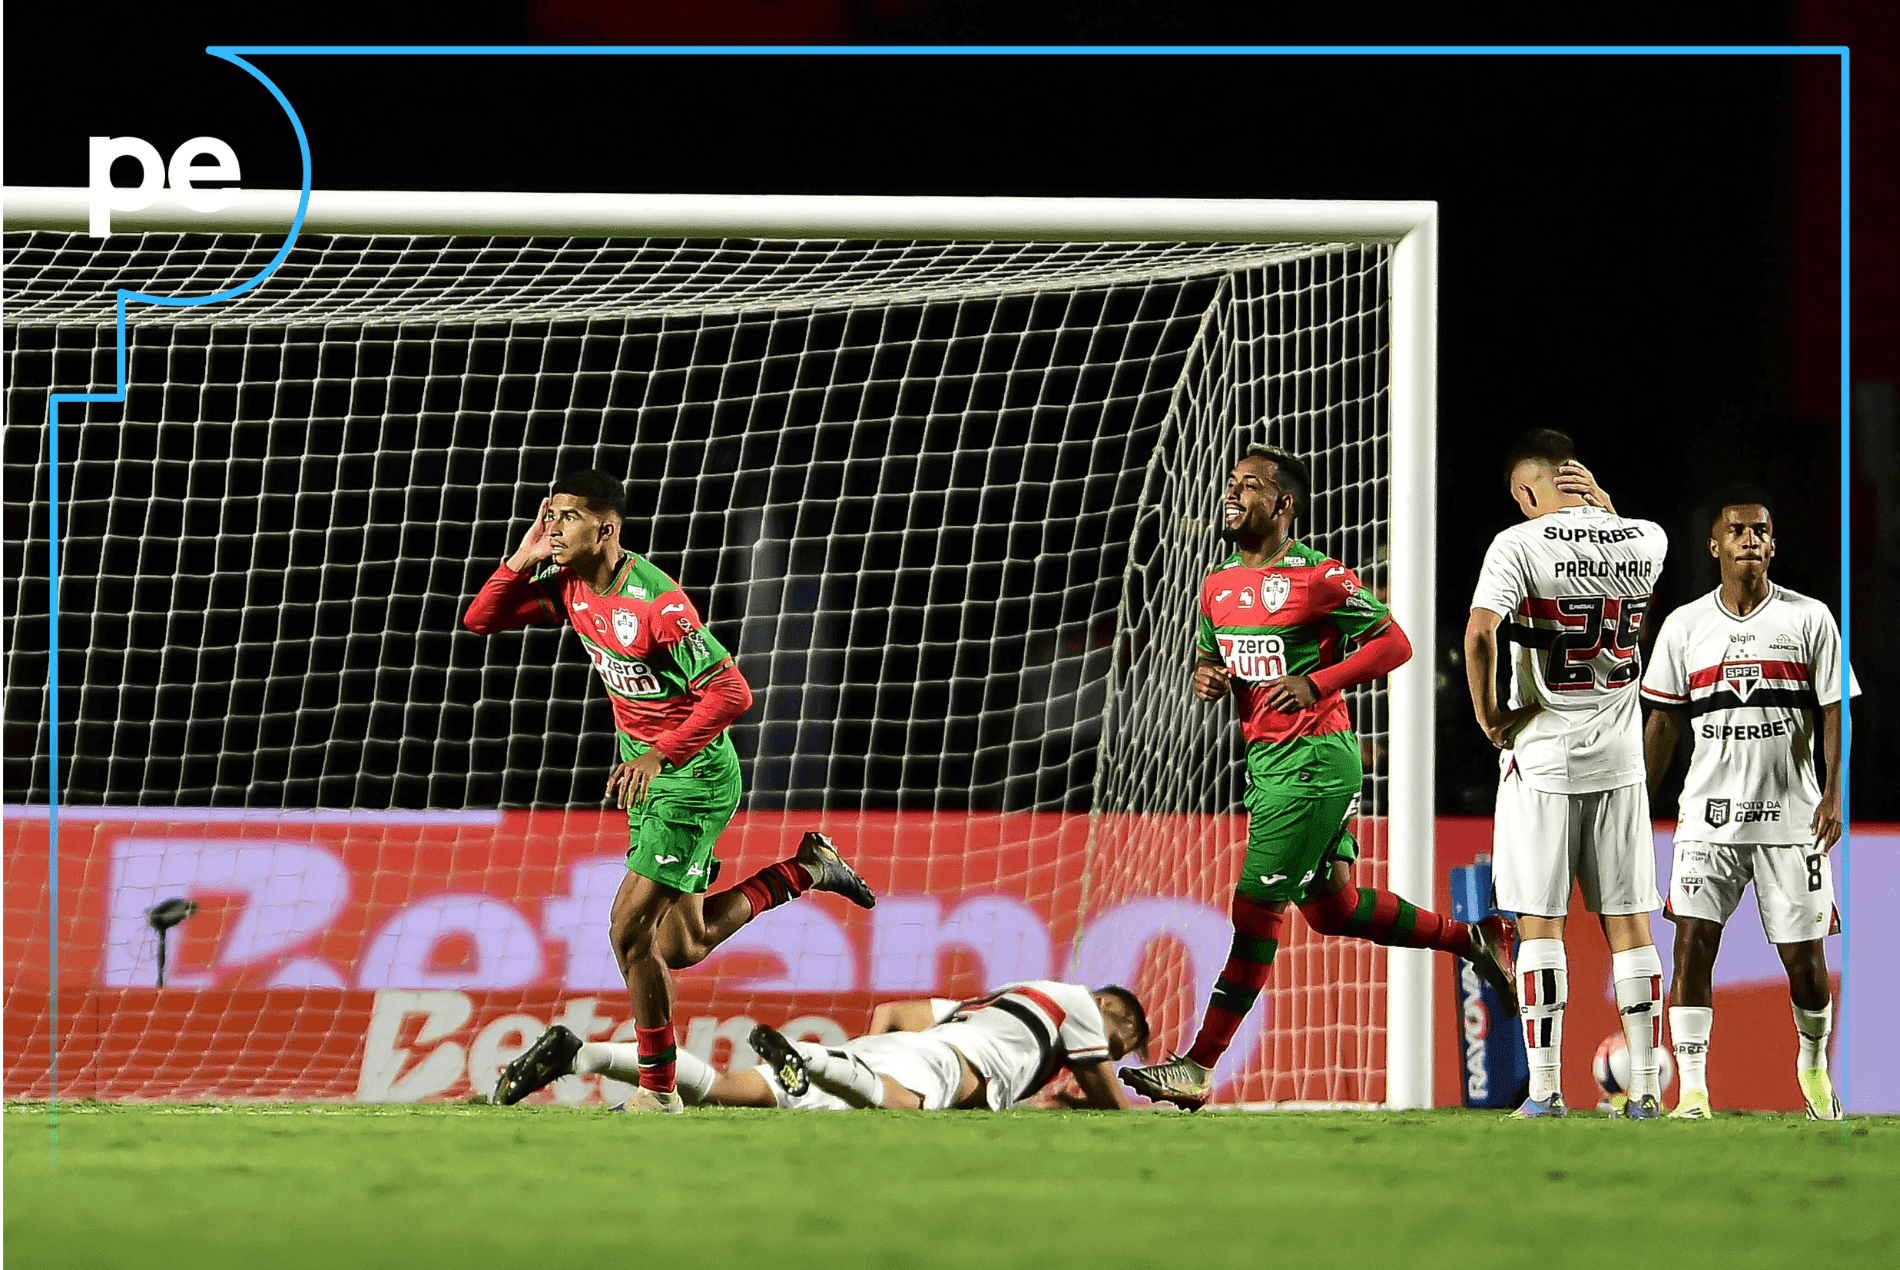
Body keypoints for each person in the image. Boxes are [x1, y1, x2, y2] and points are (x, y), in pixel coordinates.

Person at [463, 469, 876, 1113]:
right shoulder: (571, 585)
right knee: (681, 946)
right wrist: (524, 555)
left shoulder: (657, 602)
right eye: (550, 514)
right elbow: (481, 618)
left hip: (692, 779)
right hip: (651, 781)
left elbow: (734, 692)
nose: (554, 525)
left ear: (607, 526)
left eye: (567, 516)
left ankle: (660, 1094)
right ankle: (804, 870)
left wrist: (660, 753)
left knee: (627, 932)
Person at [1119, 444, 1517, 1111]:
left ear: (1283, 505)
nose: (1232, 493)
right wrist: (1209, 680)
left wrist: (1318, 680)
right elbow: (1211, 662)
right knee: (1331, 909)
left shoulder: (1320, 576)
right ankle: (1475, 938)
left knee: (1254, 907)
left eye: (1249, 485)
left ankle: (1197, 1065)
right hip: (1266, 761)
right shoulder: (1215, 585)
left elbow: (1395, 644)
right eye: (1231, 483)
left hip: (1314, 763)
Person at [1464, 430, 1670, 1119]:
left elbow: (1479, 634)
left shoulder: (1516, 546)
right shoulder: (1648, 538)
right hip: (1620, 764)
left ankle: (1547, 1090)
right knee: (1630, 928)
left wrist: (1492, 716)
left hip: (1543, 762)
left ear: (1526, 491)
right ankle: (1645, 1090)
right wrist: (1608, 513)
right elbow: (1616, 546)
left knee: (1540, 926)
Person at [1639, 484, 1855, 1120]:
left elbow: (1834, 711)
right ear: (1715, 545)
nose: (1750, 540)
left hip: (1792, 818)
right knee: (1692, 945)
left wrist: (1835, 793)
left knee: (1805, 961)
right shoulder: (1685, 626)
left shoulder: (1810, 618)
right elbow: (1663, 724)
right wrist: (1636, 805)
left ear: (1773, 544)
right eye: (1737, 531)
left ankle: (1812, 1064)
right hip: (1707, 816)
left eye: (1760, 530)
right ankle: (1695, 1089)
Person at [491, 982, 1150, 1112]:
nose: (1119, 1052)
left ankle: (585, 1055)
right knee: (902, 1111)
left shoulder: (1007, 998)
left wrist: (873, 1048)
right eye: (1128, 1040)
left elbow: (898, 1010)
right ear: (1114, 1013)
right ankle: (819, 1062)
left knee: (721, 1092)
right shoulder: (1081, 1004)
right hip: (947, 1064)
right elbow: (1105, 1095)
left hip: (905, 1048)